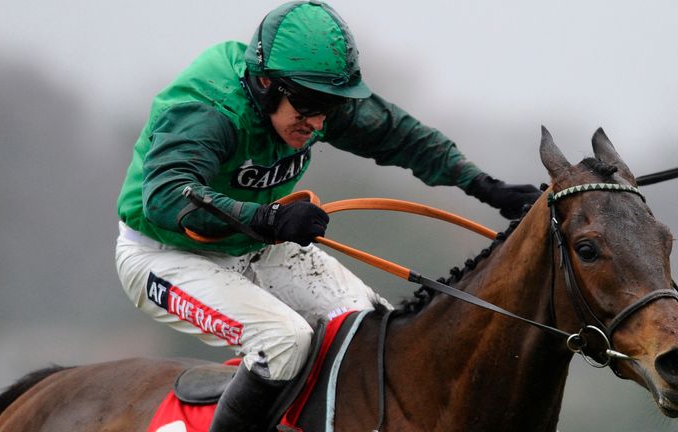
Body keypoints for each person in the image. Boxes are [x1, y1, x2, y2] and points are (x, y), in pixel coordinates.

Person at [115, 1, 540, 430]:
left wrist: (483, 184)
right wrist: (269, 219)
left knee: (367, 330)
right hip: (166, 255)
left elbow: (399, 135)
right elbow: (167, 197)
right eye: (308, 107)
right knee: (284, 342)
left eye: (328, 107)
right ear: (264, 83)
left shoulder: (306, 93)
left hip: (255, 244)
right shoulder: (208, 110)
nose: (317, 123)